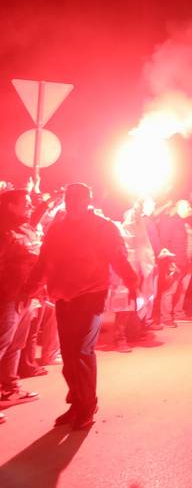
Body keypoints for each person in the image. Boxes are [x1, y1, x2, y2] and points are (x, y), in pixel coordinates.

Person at [25, 183, 138, 429]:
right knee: (68, 354)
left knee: (82, 351)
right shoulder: (58, 227)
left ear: (88, 200)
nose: (73, 202)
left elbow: (118, 257)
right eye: (69, 198)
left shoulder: (102, 227)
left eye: (79, 198)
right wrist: (31, 287)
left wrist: (132, 281)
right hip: (63, 296)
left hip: (91, 295)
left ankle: (87, 405)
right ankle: (77, 402)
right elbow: (45, 260)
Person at [0, 189, 42, 422]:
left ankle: (9, 389)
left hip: (26, 295)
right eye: (24, 203)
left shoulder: (26, 228)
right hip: (7, 296)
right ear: (10, 206)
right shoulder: (3, 231)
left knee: (16, 344)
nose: (29, 206)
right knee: (2, 343)